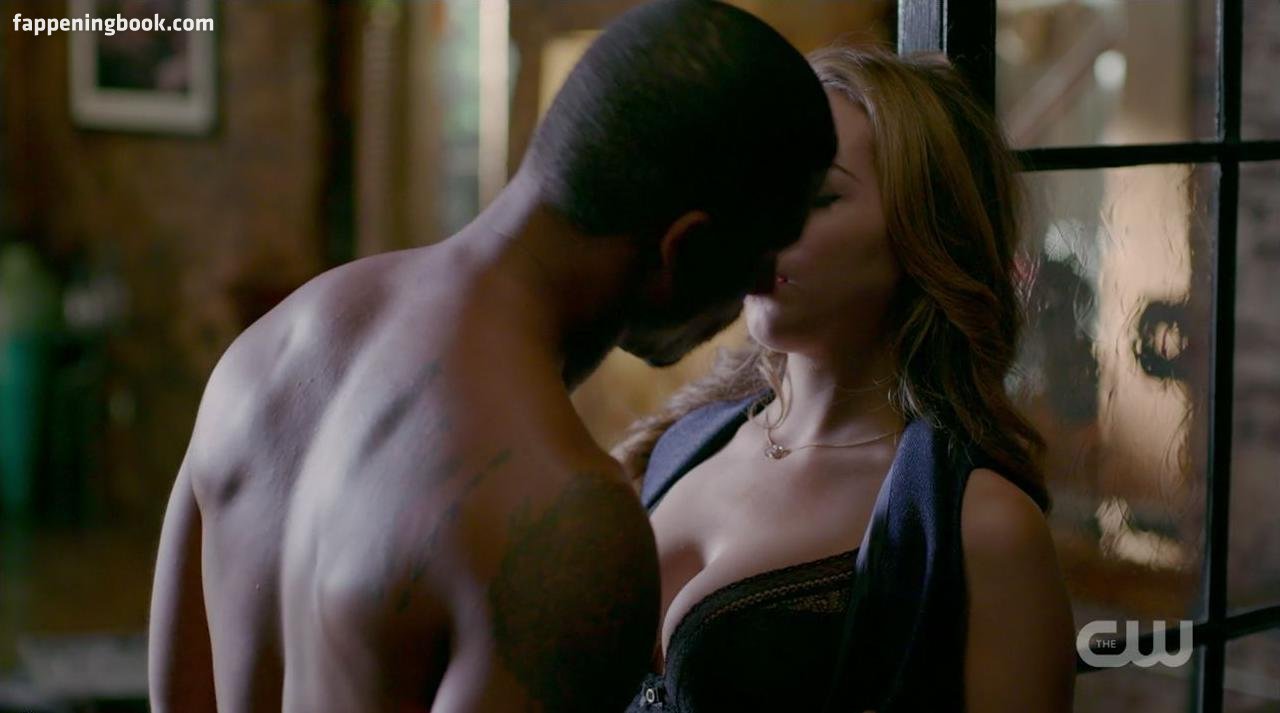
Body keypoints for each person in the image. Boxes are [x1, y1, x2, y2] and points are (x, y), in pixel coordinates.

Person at [146, 2, 836, 711]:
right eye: (764, 252)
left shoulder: (263, 352)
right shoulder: (562, 522)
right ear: (685, 249)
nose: (762, 287)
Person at [615, 46, 1077, 713]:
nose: (766, 223)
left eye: (819, 196)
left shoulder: (981, 526)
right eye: (761, 189)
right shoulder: (686, 440)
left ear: (922, 229)